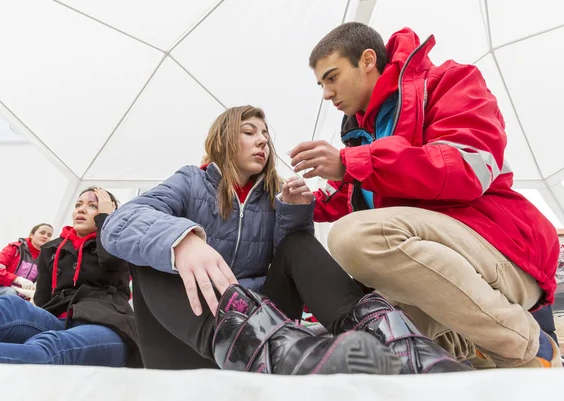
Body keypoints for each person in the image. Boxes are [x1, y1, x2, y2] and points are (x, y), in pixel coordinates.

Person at [101, 105, 469, 375]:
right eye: (249, 131)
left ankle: (393, 344)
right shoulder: (190, 181)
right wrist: (183, 242)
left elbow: (297, 270)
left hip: (273, 338)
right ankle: (276, 350)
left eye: (265, 135)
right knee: (152, 249)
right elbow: (118, 224)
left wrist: (293, 215)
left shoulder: (273, 195)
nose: (262, 140)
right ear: (224, 139)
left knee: (297, 245)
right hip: (189, 340)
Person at [288, 22, 561, 368]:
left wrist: (350, 162)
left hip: (500, 251)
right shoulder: (360, 134)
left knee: (354, 236)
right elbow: (361, 193)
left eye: (331, 77)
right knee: (375, 336)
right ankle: (472, 353)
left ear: (368, 60)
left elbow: (464, 169)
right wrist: (303, 202)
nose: (326, 93)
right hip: (441, 264)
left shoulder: (450, 83)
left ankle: (529, 343)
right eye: (321, 84)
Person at [0, 188, 139, 367]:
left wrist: (106, 221)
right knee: (11, 306)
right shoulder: (52, 249)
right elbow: (43, 299)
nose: (81, 209)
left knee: (51, 344)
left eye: (93, 206)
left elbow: (113, 262)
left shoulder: (121, 241)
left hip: (107, 324)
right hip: (57, 320)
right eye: (78, 204)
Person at [0, 223, 53, 304]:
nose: (45, 236)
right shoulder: (14, 249)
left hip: (17, 299)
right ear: (31, 235)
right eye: (42, 233)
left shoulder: (46, 259)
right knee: (11, 294)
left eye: (49, 235)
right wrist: (16, 279)